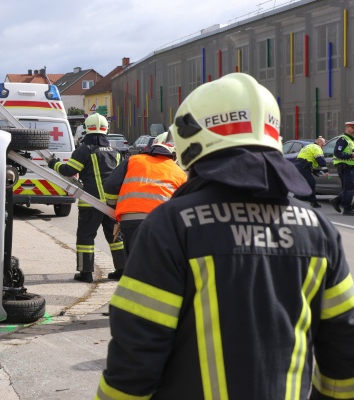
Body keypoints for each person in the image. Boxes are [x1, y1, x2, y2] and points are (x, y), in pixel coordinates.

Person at [96, 73, 354, 399]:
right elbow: (345, 354)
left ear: (190, 140)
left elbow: (134, 357)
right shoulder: (318, 229)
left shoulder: (171, 225)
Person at [48, 113, 127, 283]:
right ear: (106, 129)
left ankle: (86, 273)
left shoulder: (84, 150)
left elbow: (69, 171)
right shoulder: (116, 152)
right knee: (115, 237)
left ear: (87, 129)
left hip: (90, 203)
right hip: (113, 204)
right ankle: (122, 270)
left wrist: (53, 164)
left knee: (86, 237)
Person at [103, 131, 187, 272]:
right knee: (158, 267)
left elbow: (111, 185)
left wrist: (112, 206)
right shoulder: (179, 172)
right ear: (173, 153)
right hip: (161, 223)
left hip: (131, 221)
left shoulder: (133, 160)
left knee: (134, 264)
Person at [293, 136, 329, 208]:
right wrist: (326, 171)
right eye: (323, 144)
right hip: (303, 166)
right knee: (311, 182)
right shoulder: (316, 148)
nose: (323, 146)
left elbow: (309, 158)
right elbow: (320, 159)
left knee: (303, 183)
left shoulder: (308, 146)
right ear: (318, 142)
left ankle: (295, 200)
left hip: (299, 165)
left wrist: (314, 170)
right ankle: (313, 202)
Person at [330, 121, 354, 215]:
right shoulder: (343, 139)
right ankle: (347, 209)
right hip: (345, 167)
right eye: (352, 128)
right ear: (347, 128)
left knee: (350, 188)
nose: (353, 130)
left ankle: (336, 200)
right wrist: (351, 155)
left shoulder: (351, 140)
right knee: (349, 188)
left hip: (351, 167)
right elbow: (337, 153)